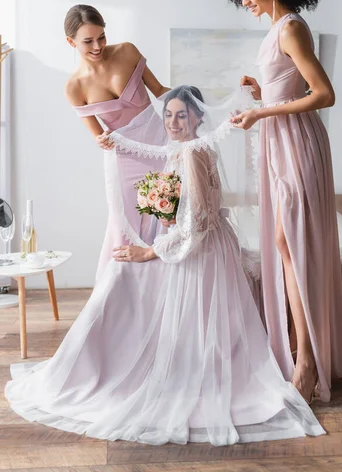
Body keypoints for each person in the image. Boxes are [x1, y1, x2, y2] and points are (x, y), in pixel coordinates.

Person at [5, 86, 324, 446]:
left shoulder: (190, 153)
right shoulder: (188, 148)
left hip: (202, 252)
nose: (173, 122)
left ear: (198, 118)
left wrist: (151, 252)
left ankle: (135, 368)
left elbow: (198, 222)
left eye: (182, 115)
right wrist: (166, 215)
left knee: (147, 290)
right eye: (168, 115)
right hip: (205, 244)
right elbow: (190, 213)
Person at [221, 0, 342, 403]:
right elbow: (290, 86)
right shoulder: (277, 31)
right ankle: (303, 352)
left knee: (292, 242)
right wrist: (262, 93)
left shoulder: (291, 26)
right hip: (280, 141)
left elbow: (324, 94)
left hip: (296, 142)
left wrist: (263, 112)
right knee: (283, 243)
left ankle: (307, 362)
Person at [64, 4, 170, 278]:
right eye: (88, 41)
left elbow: (160, 91)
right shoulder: (74, 86)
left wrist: (200, 104)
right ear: (70, 42)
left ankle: (166, 292)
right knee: (126, 224)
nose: (98, 46)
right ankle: (124, 295)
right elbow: (97, 134)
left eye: (101, 37)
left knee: (168, 216)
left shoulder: (127, 52)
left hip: (161, 146)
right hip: (123, 159)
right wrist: (100, 140)